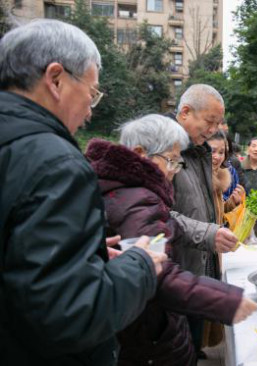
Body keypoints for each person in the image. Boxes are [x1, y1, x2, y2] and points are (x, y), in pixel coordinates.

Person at [0, 19, 166, 365]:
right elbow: (72, 314)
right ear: (56, 78)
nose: (91, 110)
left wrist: (86, 252)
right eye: (91, 93)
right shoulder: (56, 163)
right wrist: (141, 265)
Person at [86, 115, 257, 365]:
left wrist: (209, 233)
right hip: (150, 338)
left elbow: (167, 221)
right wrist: (226, 300)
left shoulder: (125, 188)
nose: (172, 171)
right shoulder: (138, 199)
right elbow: (159, 276)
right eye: (171, 161)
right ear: (141, 153)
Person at [167, 84, 240, 357]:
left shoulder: (199, 151)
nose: (213, 130)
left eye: (218, 123)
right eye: (209, 122)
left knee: (193, 346)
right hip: (174, 274)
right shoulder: (163, 148)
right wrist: (208, 233)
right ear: (185, 112)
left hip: (199, 269)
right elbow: (156, 212)